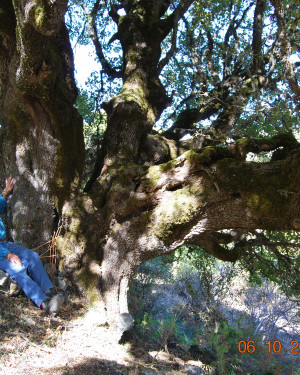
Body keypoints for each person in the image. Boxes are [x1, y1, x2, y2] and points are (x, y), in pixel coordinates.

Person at [0, 177, 64, 316]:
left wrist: (5, 193)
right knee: (18, 270)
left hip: (4, 243)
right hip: (1, 251)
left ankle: (49, 292)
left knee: (32, 256)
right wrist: (7, 254)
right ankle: (44, 303)